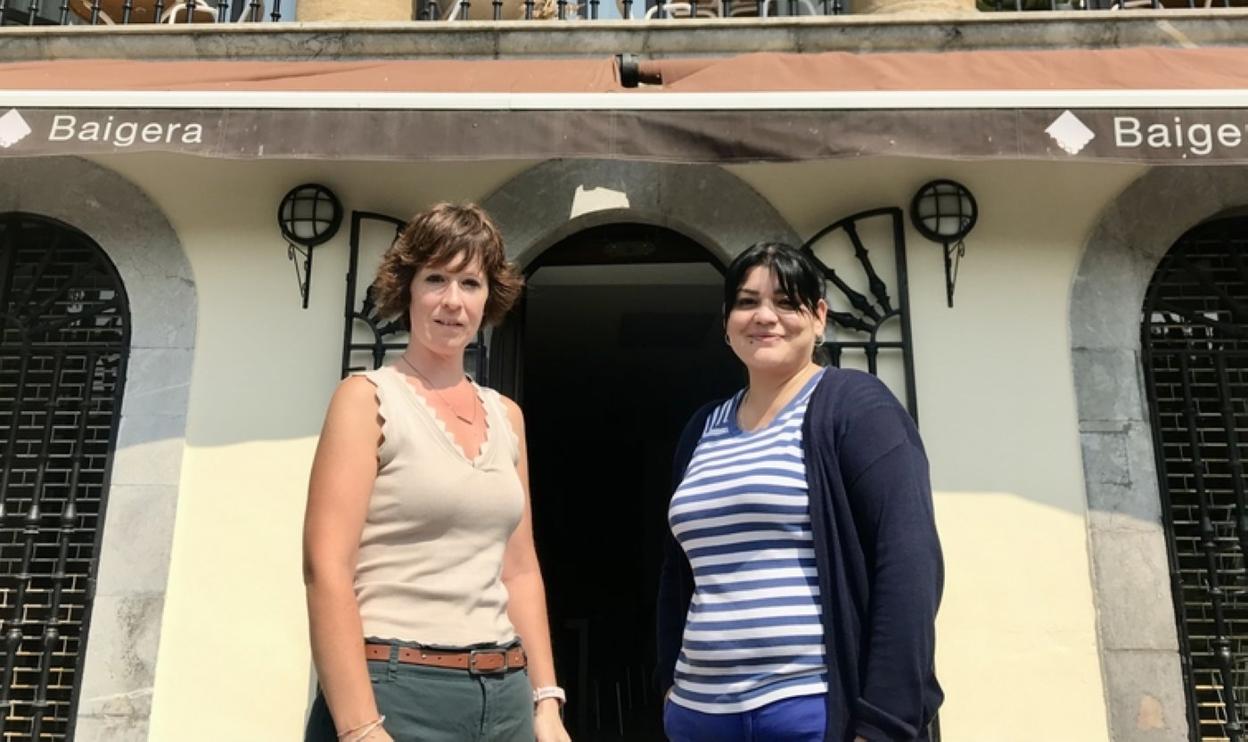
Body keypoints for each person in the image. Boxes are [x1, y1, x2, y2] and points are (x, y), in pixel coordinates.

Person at [302, 203, 571, 742]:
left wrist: (546, 702)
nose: (452, 300)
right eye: (435, 279)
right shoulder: (367, 400)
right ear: (407, 289)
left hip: (506, 696)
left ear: (488, 298)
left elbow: (519, 570)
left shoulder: (507, 417)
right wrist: (359, 728)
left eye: (470, 283)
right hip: (397, 690)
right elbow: (325, 567)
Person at [656, 242, 943, 742]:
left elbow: (908, 561)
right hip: (699, 713)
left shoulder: (857, 409)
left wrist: (884, 721)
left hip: (810, 712)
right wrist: (668, 685)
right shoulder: (702, 429)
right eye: (747, 302)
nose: (765, 316)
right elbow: (675, 571)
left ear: (819, 317)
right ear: (726, 322)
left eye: (787, 302)